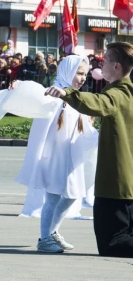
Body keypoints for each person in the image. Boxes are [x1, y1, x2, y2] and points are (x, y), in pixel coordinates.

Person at [45, 42, 133, 258]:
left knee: (112, 244)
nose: (100, 65)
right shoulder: (128, 93)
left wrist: (68, 93)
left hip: (115, 186)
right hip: (126, 184)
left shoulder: (118, 94)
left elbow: (98, 102)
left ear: (117, 66)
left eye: (105, 61)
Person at [18, 55, 97, 253]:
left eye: (85, 74)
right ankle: (44, 238)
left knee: (72, 195)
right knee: (53, 197)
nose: (83, 78)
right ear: (67, 72)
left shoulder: (72, 95)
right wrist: (16, 86)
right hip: (54, 156)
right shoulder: (54, 93)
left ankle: (53, 232)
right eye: (79, 73)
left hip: (69, 156)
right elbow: (33, 95)